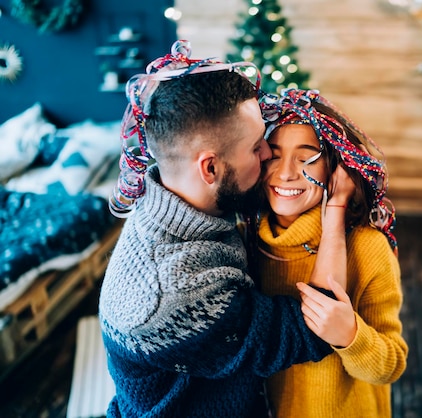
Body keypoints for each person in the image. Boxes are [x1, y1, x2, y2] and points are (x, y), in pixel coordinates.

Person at [99, 40, 353, 418]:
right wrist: (336, 206)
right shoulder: (174, 294)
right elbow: (315, 328)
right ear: (211, 169)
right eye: (256, 148)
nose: (267, 155)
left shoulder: (178, 196)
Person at [255, 88, 408, 417]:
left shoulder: (367, 248)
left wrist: (351, 335)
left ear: (334, 168)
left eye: (306, 156)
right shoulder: (245, 241)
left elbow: (391, 364)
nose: (285, 172)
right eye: (275, 154)